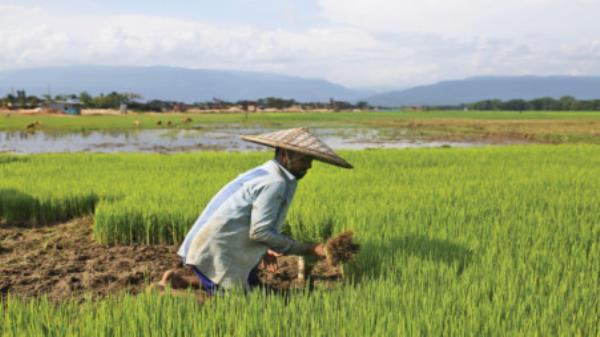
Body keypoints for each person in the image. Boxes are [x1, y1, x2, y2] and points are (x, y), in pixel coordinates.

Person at [159, 128, 353, 294]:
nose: (309, 166)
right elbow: (260, 231)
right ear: (285, 155)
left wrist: (264, 249)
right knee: (239, 303)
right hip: (220, 246)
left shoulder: (268, 172)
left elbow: (250, 219)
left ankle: (178, 281)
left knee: (253, 286)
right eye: (305, 160)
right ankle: (169, 297)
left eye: (311, 160)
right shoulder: (275, 183)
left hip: (221, 241)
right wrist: (308, 248)